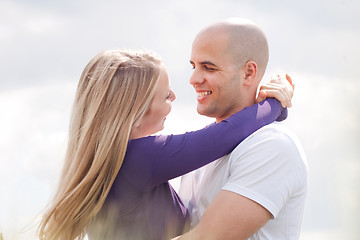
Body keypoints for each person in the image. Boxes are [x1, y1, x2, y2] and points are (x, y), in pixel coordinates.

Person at [37, 49, 293, 240]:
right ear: (135, 110)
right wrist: (276, 103)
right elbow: (226, 135)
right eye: (165, 95)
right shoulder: (139, 159)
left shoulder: (111, 163)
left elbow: (219, 133)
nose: (174, 97)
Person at [175, 18, 308, 240]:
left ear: (248, 72)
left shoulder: (272, 146)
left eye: (208, 67)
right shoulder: (203, 150)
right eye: (193, 66)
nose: (194, 79)